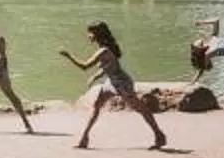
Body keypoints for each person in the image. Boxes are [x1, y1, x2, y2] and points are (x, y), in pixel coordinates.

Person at [59, 20, 168, 151]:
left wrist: (68, 56)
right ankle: (84, 138)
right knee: (96, 105)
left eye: (90, 33)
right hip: (111, 82)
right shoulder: (104, 49)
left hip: (121, 83)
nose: (88, 36)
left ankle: (159, 135)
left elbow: (84, 66)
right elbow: (109, 66)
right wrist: (96, 76)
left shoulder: (103, 51)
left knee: (140, 108)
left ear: (96, 34)